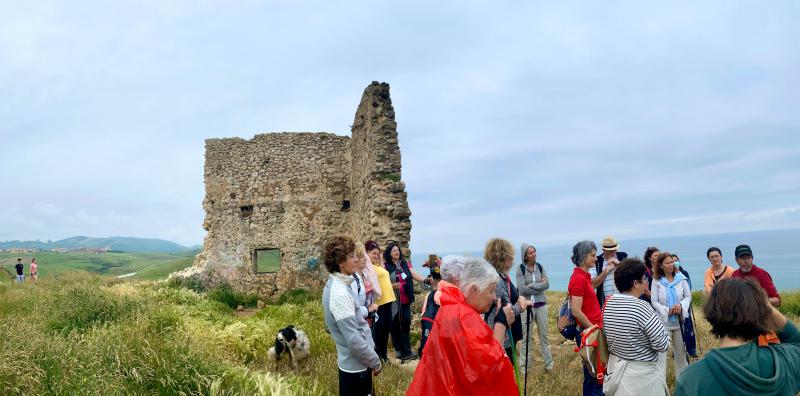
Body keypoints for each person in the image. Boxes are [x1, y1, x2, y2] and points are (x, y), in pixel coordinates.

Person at [406, 257, 518, 396]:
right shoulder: (463, 317)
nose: (494, 297)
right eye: (491, 291)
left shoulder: (453, 307)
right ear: (474, 289)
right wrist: (501, 324)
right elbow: (487, 368)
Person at [674, 278, 800, 396]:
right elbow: (797, 342)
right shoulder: (783, 361)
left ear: (711, 311)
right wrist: (765, 306)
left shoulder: (691, 380)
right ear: (762, 314)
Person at [321, 236, 382, 396]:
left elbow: (355, 314)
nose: (357, 259)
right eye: (352, 256)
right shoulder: (340, 292)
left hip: (353, 365)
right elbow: (353, 340)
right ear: (341, 261)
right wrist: (375, 362)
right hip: (356, 369)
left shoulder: (337, 284)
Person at [603, 258, 670, 395]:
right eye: (644, 279)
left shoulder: (609, 304)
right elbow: (662, 345)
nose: (646, 282)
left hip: (618, 373)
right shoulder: (642, 307)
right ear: (635, 283)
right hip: (643, 377)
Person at [484, 238, 532, 362]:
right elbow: (506, 311)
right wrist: (522, 305)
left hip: (507, 334)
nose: (512, 258)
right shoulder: (497, 280)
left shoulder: (501, 276)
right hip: (503, 336)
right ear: (500, 257)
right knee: (503, 369)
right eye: (509, 256)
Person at [568, 240, 604, 396]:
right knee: (597, 375)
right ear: (583, 257)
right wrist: (593, 328)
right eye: (593, 255)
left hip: (590, 329)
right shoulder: (578, 279)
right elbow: (576, 311)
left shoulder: (585, 276)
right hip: (588, 331)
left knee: (591, 376)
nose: (596, 259)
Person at [650, 252, 692, 379]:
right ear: (661, 265)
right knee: (661, 356)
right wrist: (667, 310)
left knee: (681, 354)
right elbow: (654, 301)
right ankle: (660, 386)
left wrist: (681, 306)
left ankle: (682, 384)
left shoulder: (681, 277)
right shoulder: (656, 280)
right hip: (663, 323)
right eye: (667, 263)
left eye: (672, 262)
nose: (671, 265)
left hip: (680, 322)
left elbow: (688, 296)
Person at [383, 242, 424, 361]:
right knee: (394, 326)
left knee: (405, 324)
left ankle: (406, 352)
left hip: (405, 300)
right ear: (389, 253)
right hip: (394, 301)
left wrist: (425, 280)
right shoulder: (386, 266)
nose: (397, 252)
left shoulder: (405, 264)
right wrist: (392, 286)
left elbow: (413, 274)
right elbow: (383, 283)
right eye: (394, 250)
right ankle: (399, 352)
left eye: (398, 250)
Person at [516, 243, 553, 371]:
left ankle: (549, 366)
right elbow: (521, 289)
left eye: (534, 251)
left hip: (541, 305)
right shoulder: (520, 269)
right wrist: (538, 285)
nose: (534, 254)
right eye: (530, 252)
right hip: (526, 308)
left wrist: (531, 286)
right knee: (526, 338)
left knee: (545, 337)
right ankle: (524, 368)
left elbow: (547, 284)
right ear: (525, 256)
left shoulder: (540, 267)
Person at [366, 240, 395, 363]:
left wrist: (379, 258)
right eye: (373, 253)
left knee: (385, 330)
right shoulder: (368, 267)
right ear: (367, 253)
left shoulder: (378, 266)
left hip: (388, 302)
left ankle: (384, 355)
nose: (376, 255)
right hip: (380, 303)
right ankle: (378, 356)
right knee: (379, 332)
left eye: (378, 253)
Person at [590, 236, 628, 306]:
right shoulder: (597, 262)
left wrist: (619, 264)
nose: (613, 252)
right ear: (603, 250)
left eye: (614, 250)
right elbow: (592, 284)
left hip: (624, 303)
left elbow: (632, 272)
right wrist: (606, 270)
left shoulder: (622, 257)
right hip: (605, 305)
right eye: (610, 251)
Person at [418, 266, 441, 357]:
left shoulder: (429, 295)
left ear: (431, 279)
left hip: (431, 331)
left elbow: (424, 316)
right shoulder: (448, 293)